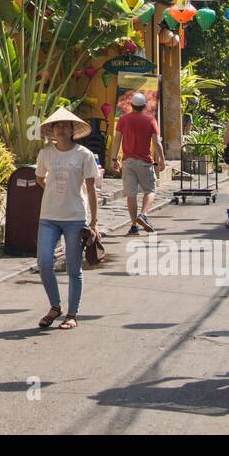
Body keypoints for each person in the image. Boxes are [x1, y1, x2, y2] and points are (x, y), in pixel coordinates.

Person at [34, 107, 99, 331]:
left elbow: (91, 189)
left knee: (73, 268)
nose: (61, 128)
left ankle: (71, 314)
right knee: (44, 261)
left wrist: (94, 222)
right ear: (52, 130)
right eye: (57, 125)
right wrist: (54, 192)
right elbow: (40, 178)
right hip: (49, 216)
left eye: (65, 125)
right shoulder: (45, 154)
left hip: (75, 217)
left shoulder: (84, 155)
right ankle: (55, 306)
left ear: (73, 129)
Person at [112, 92, 165, 236]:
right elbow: (157, 142)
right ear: (144, 106)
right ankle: (143, 214)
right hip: (144, 162)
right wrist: (162, 160)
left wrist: (114, 159)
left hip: (127, 162)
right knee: (150, 190)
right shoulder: (150, 120)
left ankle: (134, 225)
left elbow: (117, 140)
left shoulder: (123, 119)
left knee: (131, 194)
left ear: (132, 105)